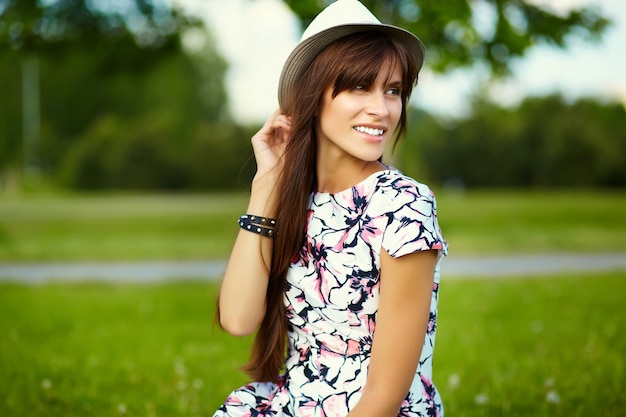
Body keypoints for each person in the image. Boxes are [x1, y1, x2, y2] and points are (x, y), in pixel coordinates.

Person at [214, 0, 447, 416]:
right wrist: (265, 186)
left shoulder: (403, 204)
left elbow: (384, 397)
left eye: (393, 90)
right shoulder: (290, 197)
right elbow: (237, 318)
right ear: (313, 95)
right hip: (294, 405)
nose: (381, 109)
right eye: (360, 86)